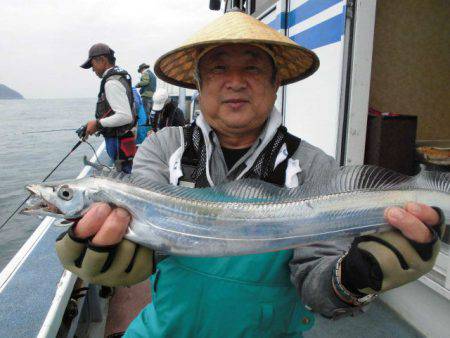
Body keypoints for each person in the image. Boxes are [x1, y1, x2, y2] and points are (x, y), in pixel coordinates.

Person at [57, 11, 445, 337]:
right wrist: (120, 257)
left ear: (276, 84)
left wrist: (356, 276)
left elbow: (318, 288)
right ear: (199, 84)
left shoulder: (313, 166)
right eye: (219, 68)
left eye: (254, 69)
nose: (236, 81)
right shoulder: (163, 148)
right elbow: (146, 250)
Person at [81, 43, 136, 173]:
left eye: (92, 64)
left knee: (124, 177)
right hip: (124, 138)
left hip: (118, 142)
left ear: (103, 60)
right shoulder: (120, 77)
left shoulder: (111, 82)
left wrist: (98, 123)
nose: (92, 69)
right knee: (126, 172)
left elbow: (124, 116)